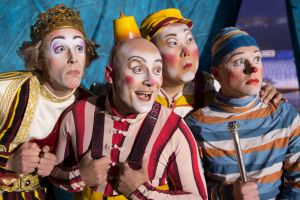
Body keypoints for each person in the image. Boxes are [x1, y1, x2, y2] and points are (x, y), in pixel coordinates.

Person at [49, 14, 207, 200]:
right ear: (110, 75)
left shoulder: (175, 130)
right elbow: (53, 173)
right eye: (138, 69)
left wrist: (140, 192)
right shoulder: (77, 115)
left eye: (157, 70)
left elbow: (198, 198)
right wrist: (79, 176)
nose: (150, 81)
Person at [185, 27, 300, 199]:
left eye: (257, 59)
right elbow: (191, 191)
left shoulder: (284, 116)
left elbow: (297, 184)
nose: (252, 68)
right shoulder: (196, 126)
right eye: (239, 61)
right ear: (216, 74)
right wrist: (229, 194)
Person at [0, 4, 97, 199]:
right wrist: (8, 163)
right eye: (60, 48)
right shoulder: (7, 89)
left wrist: (55, 169)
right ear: (40, 58)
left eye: (79, 48)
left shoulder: (90, 106)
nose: (73, 58)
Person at [140, 8, 283, 117]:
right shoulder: (139, 93)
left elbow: (242, 92)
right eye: (172, 43)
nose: (186, 51)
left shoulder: (210, 84)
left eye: (189, 40)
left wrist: (265, 92)